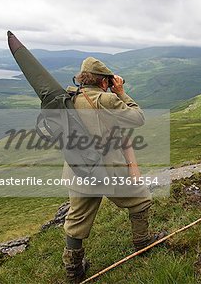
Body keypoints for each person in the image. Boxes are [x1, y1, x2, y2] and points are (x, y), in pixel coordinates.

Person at [61, 57, 165, 283]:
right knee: (141, 201)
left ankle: (73, 270)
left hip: (79, 169)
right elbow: (137, 118)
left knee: (76, 220)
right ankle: (143, 243)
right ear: (103, 81)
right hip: (107, 171)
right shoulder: (106, 99)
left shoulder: (71, 97)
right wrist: (121, 92)